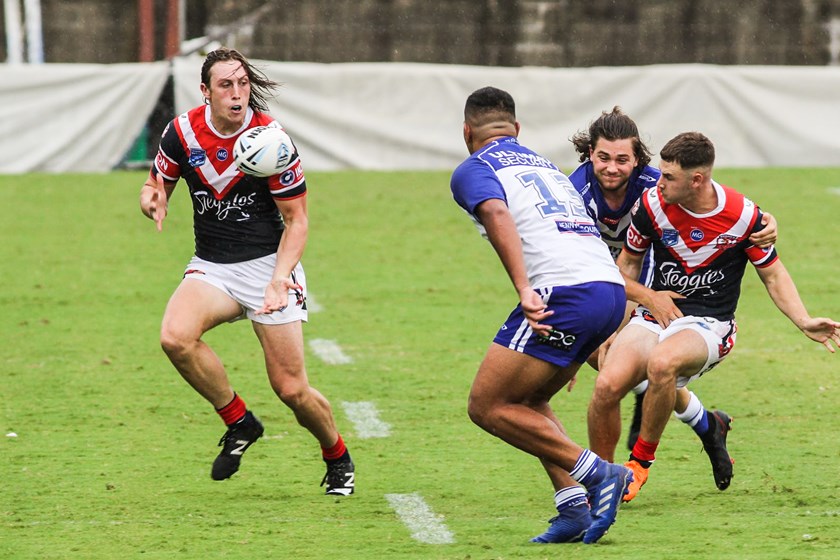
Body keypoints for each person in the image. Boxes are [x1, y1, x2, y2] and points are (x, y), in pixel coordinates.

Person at [138, 47, 354, 495]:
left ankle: (337, 455)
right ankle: (239, 421)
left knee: (292, 390)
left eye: (243, 84)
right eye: (226, 85)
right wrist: (151, 198)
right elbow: (157, 182)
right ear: (205, 92)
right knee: (175, 337)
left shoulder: (272, 142)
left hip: (266, 267)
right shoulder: (181, 133)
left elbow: (298, 221)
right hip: (213, 267)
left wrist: (279, 280)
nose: (238, 95)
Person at [589, 131, 839, 503]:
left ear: (697, 180)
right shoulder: (652, 205)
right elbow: (627, 265)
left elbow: (772, 273)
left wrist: (803, 320)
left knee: (662, 364)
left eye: (668, 177)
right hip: (654, 312)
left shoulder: (742, 215)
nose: (660, 183)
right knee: (607, 386)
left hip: (710, 324)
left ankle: (639, 465)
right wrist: (612, 325)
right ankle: (602, 484)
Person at [450, 86, 633, 545]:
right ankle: (573, 508)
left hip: (564, 293)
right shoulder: (544, 164)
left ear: (467, 131)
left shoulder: (475, 168)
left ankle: (599, 474)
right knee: (528, 400)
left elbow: (495, 212)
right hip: (607, 291)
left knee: (487, 406)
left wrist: (523, 289)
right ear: (517, 130)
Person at [569, 108, 777, 494]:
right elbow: (565, 262)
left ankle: (620, 466)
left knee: (644, 369)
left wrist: (765, 221)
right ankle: (706, 424)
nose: (613, 168)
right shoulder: (574, 193)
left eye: (622, 159)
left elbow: (709, 198)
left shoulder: (657, 185)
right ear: (589, 155)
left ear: (638, 160)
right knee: (617, 373)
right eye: (603, 157)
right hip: (605, 282)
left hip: (656, 286)